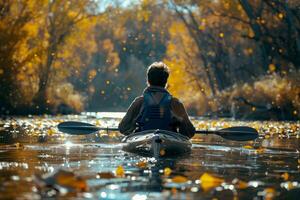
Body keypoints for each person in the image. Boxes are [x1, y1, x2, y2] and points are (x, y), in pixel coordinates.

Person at [118, 62, 195, 138]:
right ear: (166, 82)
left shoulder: (139, 102)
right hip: (169, 139)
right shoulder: (175, 103)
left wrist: (134, 128)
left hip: (143, 139)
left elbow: (123, 128)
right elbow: (190, 132)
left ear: (148, 80)